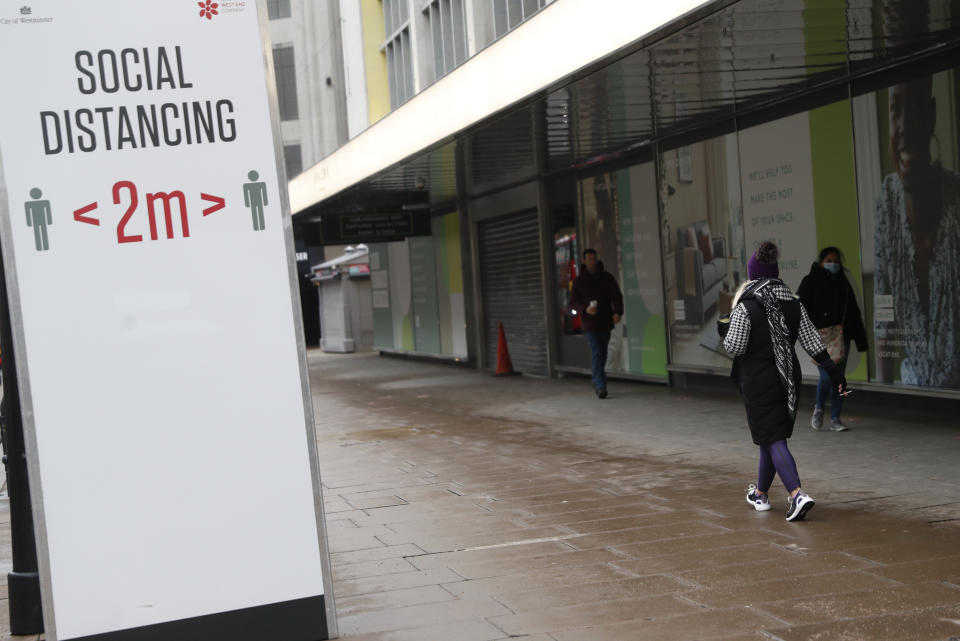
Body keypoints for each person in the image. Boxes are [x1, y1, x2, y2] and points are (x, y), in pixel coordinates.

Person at [718, 242, 848, 521]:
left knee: (774, 439)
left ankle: (797, 494)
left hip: (757, 383)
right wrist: (834, 371)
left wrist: (724, 329)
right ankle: (760, 494)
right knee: (770, 436)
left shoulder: (747, 306)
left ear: (753, 275)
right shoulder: (793, 303)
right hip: (787, 379)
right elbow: (813, 341)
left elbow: (735, 347)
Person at [872, 0, 960, 388]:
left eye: (915, 110)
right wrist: (885, 401)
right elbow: (883, 316)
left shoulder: (957, 200)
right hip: (910, 394)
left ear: (933, 115)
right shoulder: (887, 201)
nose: (904, 125)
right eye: (895, 110)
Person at [797, 247, 868, 431]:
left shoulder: (843, 283)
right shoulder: (810, 281)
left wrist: (861, 340)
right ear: (821, 262)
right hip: (819, 338)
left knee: (838, 377)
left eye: (837, 261)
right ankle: (819, 408)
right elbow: (799, 309)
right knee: (827, 377)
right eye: (829, 260)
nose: (834, 264)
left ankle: (835, 418)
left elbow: (853, 312)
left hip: (841, 337)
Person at [570, 248, 623, 399]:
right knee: (597, 352)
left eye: (594, 259)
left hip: (605, 321)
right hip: (589, 324)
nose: (592, 262)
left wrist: (618, 311)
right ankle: (600, 385)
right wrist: (585, 309)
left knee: (603, 352)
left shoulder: (607, 278)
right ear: (584, 261)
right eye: (589, 259)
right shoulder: (579, 282)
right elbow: (572, 304)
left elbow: (617, 295)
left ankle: (596, 378)